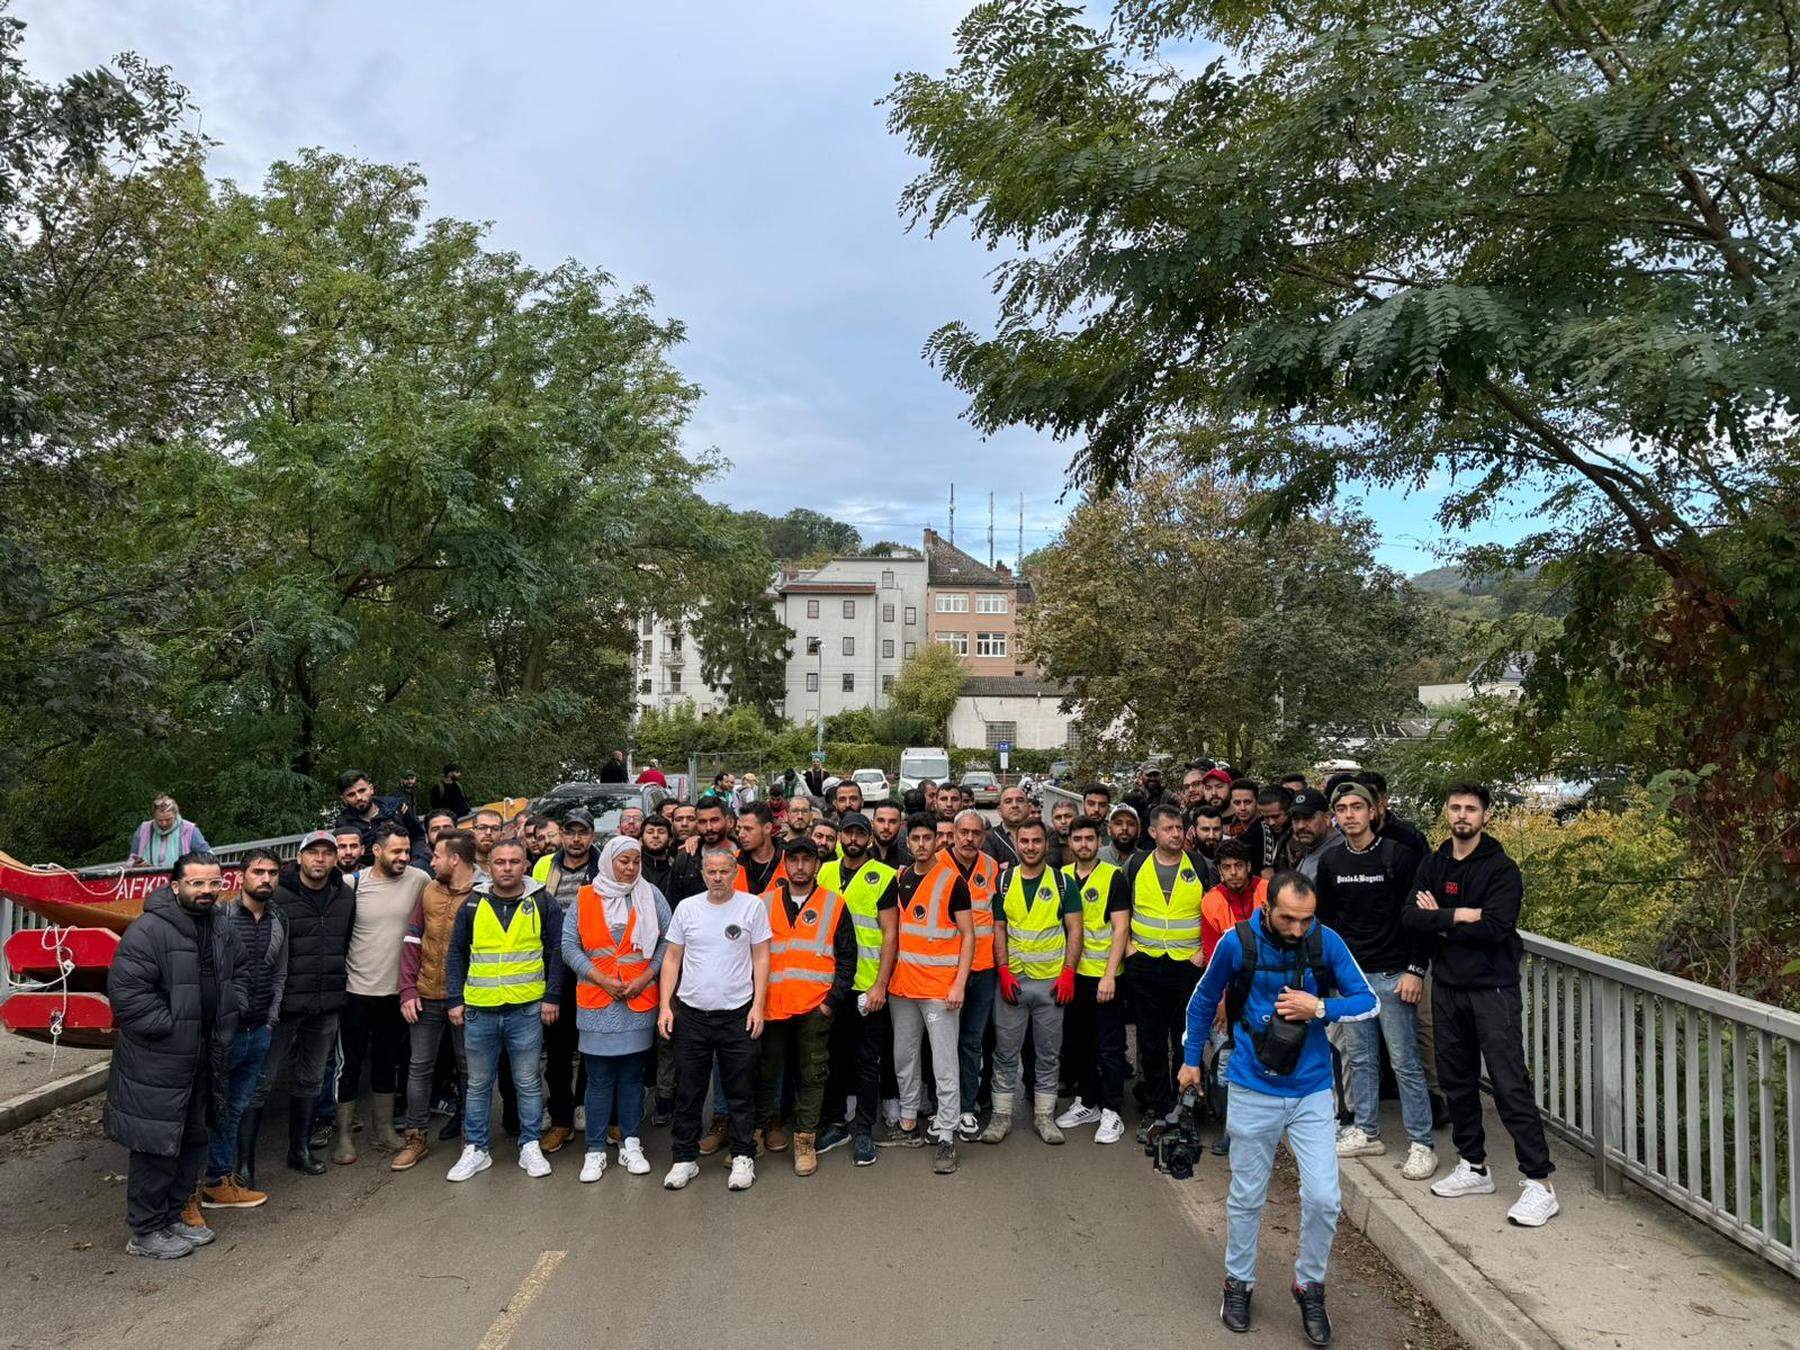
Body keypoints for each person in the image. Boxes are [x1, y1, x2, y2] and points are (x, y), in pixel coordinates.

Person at [1182, 871, 1377, 1344]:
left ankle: (1308, 1284)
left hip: (1311, 1089)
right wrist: (1190, 1061)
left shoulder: (1324, 941)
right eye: (1288, 919)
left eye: (1305, 920)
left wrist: (1320, 1008)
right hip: (1252, 1086)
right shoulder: (1236, 943)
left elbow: (1368, 1001)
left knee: (1325, 1199)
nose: (1297, 930)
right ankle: (1238, 1282)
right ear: (1266, 907)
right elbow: (1204, 999)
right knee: (1247, 1196)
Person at [1403, 782, 1558, 1227]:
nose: (1462, 815)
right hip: (1448, 987)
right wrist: (1458, 915)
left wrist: (1442, 921)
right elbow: (1411, 918)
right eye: (1455, 807)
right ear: (1446, 812)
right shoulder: (1433, 864)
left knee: (1509, 1084)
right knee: (1457, 1081)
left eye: (1471, 808)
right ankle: (1473, 1165)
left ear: (1485, 816)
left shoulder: (1501, 870)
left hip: (1493, 989)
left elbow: (1495, 927)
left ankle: (1539, 1182)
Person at [106, 851, 245, 1260]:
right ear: (176, 885)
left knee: (192, 1139)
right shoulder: (148, 930)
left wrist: (231, 1012)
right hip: (159, 1060)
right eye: (197, 883)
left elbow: (237, 975)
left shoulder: (221, 926)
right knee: (156, 1145)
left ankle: (172, 1218)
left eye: (213, 884)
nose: (206, 891)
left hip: (205, 1055)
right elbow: (128, 995)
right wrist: (173, 1028)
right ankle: (145, 1232)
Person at [1315, 781, 1435, 1178]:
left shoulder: (1398, 857)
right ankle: (1366, 1132)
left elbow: (1418, 919)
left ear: (1372, 812)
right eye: (1342, 808)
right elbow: (1327, 925)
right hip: (1352, 981)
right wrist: (1330, 976)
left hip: (1393, 975)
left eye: (1356, 807)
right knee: (1362, 1060)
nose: (1349, 814)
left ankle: (1422, 1143)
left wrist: (1416, 970)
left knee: (1404, 1062)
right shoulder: (1331, 863)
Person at [443, 840, 562, 1182]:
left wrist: (552, 996)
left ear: (526, 864)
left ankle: (530, 1145)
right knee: (479, 1084)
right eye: (500, 862)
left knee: (527, 1081)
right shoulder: (472, 904)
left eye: (514, 861)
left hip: (526, 1008)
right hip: (480, 1009)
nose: (507, 868)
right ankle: (476, 1149)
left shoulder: (542, 901)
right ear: (489, 866)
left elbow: (555, 951)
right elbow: (455, 954)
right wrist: (454, 999)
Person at [658, 848, 771, 1192]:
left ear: (735, 873)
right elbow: (672, 959)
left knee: (740, 1089)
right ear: (703, 874)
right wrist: (666, 1005)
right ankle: (684, 1159)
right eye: (711, 871)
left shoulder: (751, 906)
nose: (717, 877)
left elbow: (762, 957)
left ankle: (742, 1156)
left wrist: (758, 1006)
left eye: (724, 871)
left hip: (738, 1012)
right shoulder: (687, 908)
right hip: (692, 1014)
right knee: (689, 1090)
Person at [562, 835, 672, 1182]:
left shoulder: (650, 895)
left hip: (638, 1000)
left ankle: (630, 1142)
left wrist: (646, 977)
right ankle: (595, 1149)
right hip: (597, 1001)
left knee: (631, 1077)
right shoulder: (585, 897)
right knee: (598, 1079)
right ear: (609, 861)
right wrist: (599, 978)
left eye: (635, 861)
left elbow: (670, 939)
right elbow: (568, 945)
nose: (630, 868)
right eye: (623, 861)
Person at [755, 839, 855, 1175]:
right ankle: (763, 1131)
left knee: (812, 1074)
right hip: (770, 1006)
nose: (800, 866)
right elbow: (747, 955)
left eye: (806, 860)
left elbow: (847, 958)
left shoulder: (834, 904)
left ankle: (805, 1141)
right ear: (785, 863)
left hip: (814, 1007)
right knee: (767, 1073)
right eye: (794, 860)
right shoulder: (763, 903)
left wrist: (831, 1003)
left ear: (816, 865)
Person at [256, 831, 352, 1178]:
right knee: (262, 1081)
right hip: (283, 1005)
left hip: (326, 1001)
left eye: (328, 852)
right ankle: (242, 1164)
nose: (320, 859)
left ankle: (299, 1150)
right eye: (314, 852)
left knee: (311, 1078)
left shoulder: (344, 896)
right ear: (300, 858)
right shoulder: (278, 896)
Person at [331, 823, 429, 1166]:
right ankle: (343, 1133)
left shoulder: (419, 879)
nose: (403, 857)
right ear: (376, 850)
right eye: (395, 852)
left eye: (406, 851)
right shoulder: (351, 884)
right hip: (356, 991)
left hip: (398, 992)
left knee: (388, 1061)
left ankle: (384, 1128)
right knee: (350, 1063)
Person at [883, 814, 975, 1175]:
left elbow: (968, 935)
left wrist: (958, 984)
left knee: (943, 1063)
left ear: (938, 841)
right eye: (916, 838)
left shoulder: (953, 882)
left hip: (939, 991)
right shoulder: (901, 878)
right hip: (903, 988)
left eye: (927, 838)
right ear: (908, 842)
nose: (921, 844)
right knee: (904, 1057)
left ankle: (947, 1135)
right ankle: (908, 1122)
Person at [981, 819, 1081, 1145]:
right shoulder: (1005, 881)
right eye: (1024, 841)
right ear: (1016, 841)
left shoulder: (1064, 884)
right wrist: (1004, 970)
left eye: (1036, 841)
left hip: (1051, 983)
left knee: (1048, 1054)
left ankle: (1044, 1116)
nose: (1030, 847)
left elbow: (1075, 930)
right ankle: (1001, 1117)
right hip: (1014, 982)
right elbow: (998, 929)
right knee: (1005, 1053)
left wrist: (1068, 972)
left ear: (1045, 844)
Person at [199, 850, 285, 1209]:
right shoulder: (219, 917)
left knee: (235, 1107)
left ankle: (219, 1182)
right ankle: (193, 1187)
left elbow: (280, 972)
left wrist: (270, 1018)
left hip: (259, 1030)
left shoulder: (279, 919)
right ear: (241, 877)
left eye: (272, 872)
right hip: (224, 1033)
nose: (265, 878)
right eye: (258, 872)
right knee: (207, 1109)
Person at [817, 812, 900, 1166]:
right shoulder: (825, 871)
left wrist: (882, 983)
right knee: (834, 1057)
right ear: (839, 836)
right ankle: (837, 1123)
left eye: (859, 834)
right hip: (831, 984)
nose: (853, 839)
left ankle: (864, 1129)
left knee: (868, 1061)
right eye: (848, 832)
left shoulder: (883, 876)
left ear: (868, 839)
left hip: (867, 985)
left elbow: (890, 934)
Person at [394, 829, 479, 1170]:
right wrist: (407, 989)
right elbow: (412, 939)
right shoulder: (429, 890)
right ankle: (415, 1137)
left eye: (437, 856)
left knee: (469, 1068)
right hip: (427, 995)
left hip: (469, 999)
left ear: (455, 859)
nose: (432, 861)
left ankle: (471, 1138)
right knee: (419, 1067)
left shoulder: (482, 894)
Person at [1125, 803, 1211, 1138]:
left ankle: (1185, 1107)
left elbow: (1213, 913)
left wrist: (1204, 953)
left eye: (1179, 828)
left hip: (1186, 968)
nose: (1175, 834)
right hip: (1145, 965)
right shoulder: (1135, 865)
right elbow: (1121, 911)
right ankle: (1158, 1108)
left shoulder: (1202, 866)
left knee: (1186, 1040)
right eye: (1168, 829)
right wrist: (1131, 952)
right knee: (1151, 1042)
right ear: (1153, 832)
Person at [530, 808, 602, 1155]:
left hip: (593, 971)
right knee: (557, 1051)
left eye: (582, 833)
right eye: (570, 832)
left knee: (591, 1046)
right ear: (562, 835)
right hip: (554, 969)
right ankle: (560, 1120)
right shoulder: (544, 866)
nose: (576, 839)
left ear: (592, 836)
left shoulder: (603, 867)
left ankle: (583, 1106)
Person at [1054, 817, 1131, 1144]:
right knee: (1079, 1044)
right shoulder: (1061, 878)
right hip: (1073, 977)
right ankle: (1088, 1102)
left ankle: (1113, 1110)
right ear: (1069, 843)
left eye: (1089, 839)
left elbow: (1120, 929)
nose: (1083, 844)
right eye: (1077, 839)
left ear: (1097, 841)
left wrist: (1110, 974)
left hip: (1104, 976)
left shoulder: (1113, 876)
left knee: (1109, 1046)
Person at [943, 809, 1002, 1141]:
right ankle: (944, 1106)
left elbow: (995, 919)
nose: (969, 839)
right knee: (941, 1044)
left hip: (982, 971)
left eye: (975, 833)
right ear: (953, 834)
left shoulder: (991, 868)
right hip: (944, 971)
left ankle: (967, 1108)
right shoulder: (936, 865)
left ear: (983, 836)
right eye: (963, 832)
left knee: (971, 1042)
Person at [334, 770, 426, 864]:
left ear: (371, 789)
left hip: (405, 870)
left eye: (362, 791)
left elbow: (418, 835)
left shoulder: (396, 808)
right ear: (344, 799)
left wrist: (418, 861)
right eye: (351, 795)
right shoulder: (344, 823)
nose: (359, 797)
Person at [1360, 769, 1431, 858]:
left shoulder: (1409, 836)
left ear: (1384, 800)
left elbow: (1426, 869)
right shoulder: (1348, 835)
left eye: (1370, 799)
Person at [130, 795, 211, 868]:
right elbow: (131, 860)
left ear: (175, 815)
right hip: (149, 880)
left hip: (181, 879)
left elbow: (209, 857)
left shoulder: (189, 830)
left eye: (168, 819)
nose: (163, 823)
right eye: (159, 820)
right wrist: (134, 864)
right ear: (154, 816)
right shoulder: (143, 829)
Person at [1282, 789, 1340, 879]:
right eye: (1296, 819)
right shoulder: (1310, 847)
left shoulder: (1341, 853)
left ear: (1327, 818)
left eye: (1308, 818)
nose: (1300, 826)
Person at [734, 802, 787, 894]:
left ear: (767, 828)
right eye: (739, 828)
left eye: (748, 829)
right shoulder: (731, 861)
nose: (741, 835)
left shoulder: (789, 859)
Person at [983, 784, 1033, 867]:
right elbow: (991, 870)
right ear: (999, 811)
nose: (1014, 805)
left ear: (1029, 808)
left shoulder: (1046, 833)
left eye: (1020, 800)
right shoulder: (988, 837)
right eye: (1008, 801)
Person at [638, 814, 677, 901]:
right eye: (650, 832)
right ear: (640, 840)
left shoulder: (677, 868)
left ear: (670, 840)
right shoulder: (635, 869)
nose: (655, 835)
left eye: (661, 832)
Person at [869, 801, 906, 867]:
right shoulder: (860, 860)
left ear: (901, 825)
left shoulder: (910, 864)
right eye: (881, 821)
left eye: (892, 822)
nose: (886, 827)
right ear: (872, 823)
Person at [469, 808, 503, 878]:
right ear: (472, 832)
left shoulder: (510, 865)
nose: (488, 832)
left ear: (501, 834)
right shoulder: (462, 864)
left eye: (495, 828)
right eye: (482, 828)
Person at [1047, 799, 1077, 869]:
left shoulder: (1088, 841)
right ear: (1052, 822)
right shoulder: (1047, 846)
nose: (1063, 821)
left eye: (1068, 816)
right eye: (1058, 818)